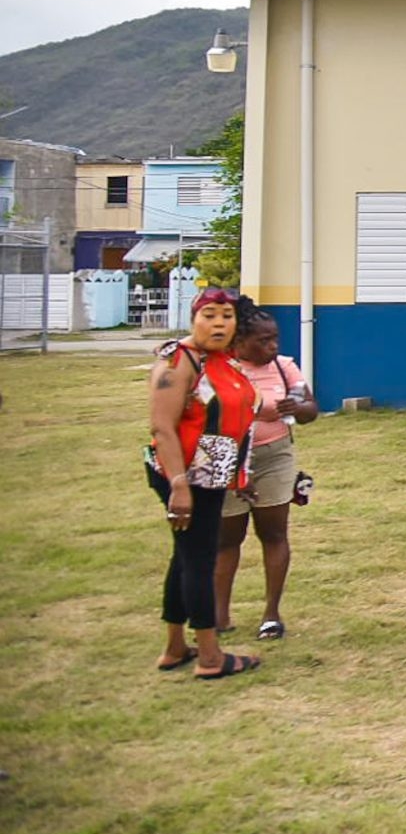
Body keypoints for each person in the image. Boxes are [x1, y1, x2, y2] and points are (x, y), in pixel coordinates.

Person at [146, 285, 262, 679]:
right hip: (186, 477)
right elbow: (162, 428)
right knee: (199, 560)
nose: (218, 323)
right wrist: (179, 486)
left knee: (184, 556)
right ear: (193, 317)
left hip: (212, 473)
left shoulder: (219, 360)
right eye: (209, 315)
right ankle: (211, 656)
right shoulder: (178, 362)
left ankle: (175, 647)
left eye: (226, 317)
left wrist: (236, 476)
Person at [215, 301, 317, 641]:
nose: (272, 346)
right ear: (239, 340)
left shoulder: (284, 367)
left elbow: (311, 409)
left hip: (275, 456)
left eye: (274, 339)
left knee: (273, 534)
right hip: (229, 459)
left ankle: (271, 614)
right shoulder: (223, 368)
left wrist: (298, 407)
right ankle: (219, 613)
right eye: (262, 340)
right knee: (227, 538)